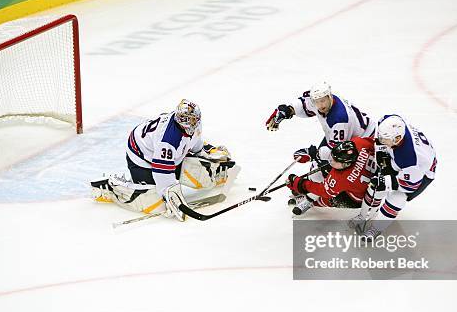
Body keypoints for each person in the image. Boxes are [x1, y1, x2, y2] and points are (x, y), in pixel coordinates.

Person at [91, 99, 235, 221]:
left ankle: (212, 173)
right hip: (141, 158)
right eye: (189, 120)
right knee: (155, 202)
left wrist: (205, 152)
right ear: (181, 120)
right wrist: (170, 194)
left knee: (201, 174)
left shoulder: (194, 124)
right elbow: (163, 176)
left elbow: (195, 140)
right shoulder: (167, 140)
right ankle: (113, 187)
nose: (193, 123)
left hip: (168, 155)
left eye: (195, 119)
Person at [265, 81, 376, 210]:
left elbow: (336, 154)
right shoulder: (319, 101)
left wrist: (313, 154)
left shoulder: (339, 118)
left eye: (323, 101)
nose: (320, 105)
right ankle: (311, 193)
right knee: (318, 167)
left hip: (362, 141)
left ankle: (313, 197)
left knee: (330, 170)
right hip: (342, 138)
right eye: (317, 101)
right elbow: (305, 104)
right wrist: (288, 110)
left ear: (330, 97)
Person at [350, 114, 437, 238]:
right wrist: (380, 149)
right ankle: (363, 216)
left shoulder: (411, 159)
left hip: (421, 175)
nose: (381, 140)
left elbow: (409, 186)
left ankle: (376, 229)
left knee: (397, 198)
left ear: (397, 139)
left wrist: (385, 181)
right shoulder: (390, 122)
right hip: (401, 158)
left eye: (385, 139)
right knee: (375, 186)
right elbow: (381, 129)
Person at [285, 137, 377, 215]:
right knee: (326, 179)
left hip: (359, 199)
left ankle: (311, 202)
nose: (331, 161)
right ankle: (311, 197)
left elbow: (323, 191)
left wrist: (300, 184)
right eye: (333, 157)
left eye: (336, 161)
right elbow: (376, 144)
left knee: (333, 199)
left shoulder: (342, 179)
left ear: (347, 164)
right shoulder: (359, 143)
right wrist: (316, 154)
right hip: (371, 181)